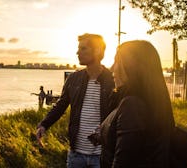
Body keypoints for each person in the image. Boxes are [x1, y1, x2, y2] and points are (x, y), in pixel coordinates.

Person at [36, 33, 115, 168]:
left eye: (83, 48)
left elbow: (118, 113)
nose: (77, 52)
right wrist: (44, 124)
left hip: (101, 155)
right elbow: (61, 106)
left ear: (97, 51)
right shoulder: (73, 79)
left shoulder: (111, 80)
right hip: (76, 154)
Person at [99, 40, 175, 167]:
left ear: (131, 67)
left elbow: (123, 162)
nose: (112, 68)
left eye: (117, 61)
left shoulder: (132, 105)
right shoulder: (146, 102)